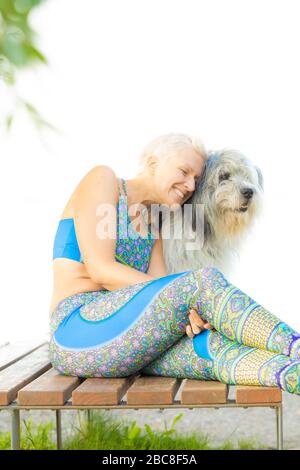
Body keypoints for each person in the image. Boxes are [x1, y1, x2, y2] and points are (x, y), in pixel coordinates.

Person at [49, 133, 300, 396]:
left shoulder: (153, 222)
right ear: (153, 162)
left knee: (214, 347)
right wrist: (183, 299)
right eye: (184, 171)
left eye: (196, 178)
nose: (191, 185)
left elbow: (160, 290)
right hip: (77, 332)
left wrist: (183, 310)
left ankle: (292, 374)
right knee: (202, 282)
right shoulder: (103, 179)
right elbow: (101, 270)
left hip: (126, 342)